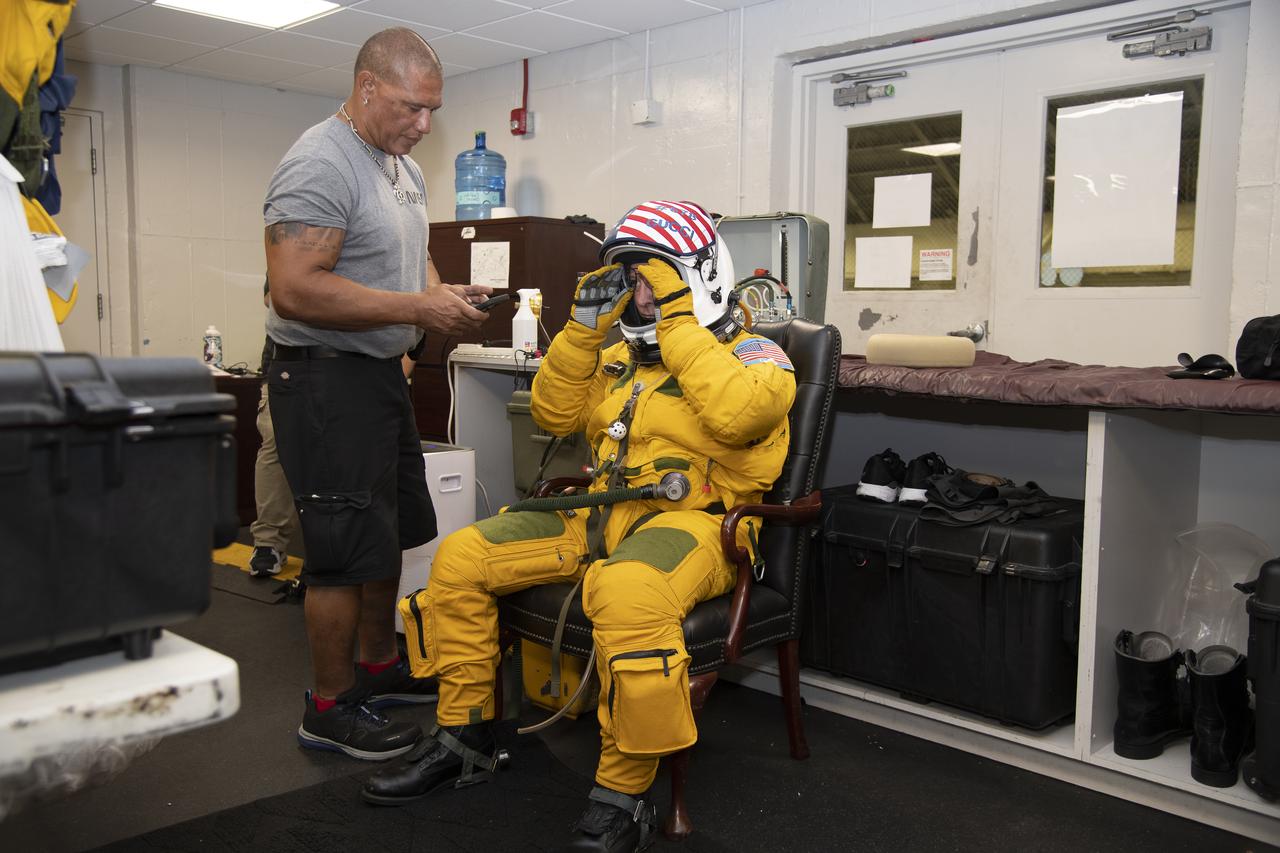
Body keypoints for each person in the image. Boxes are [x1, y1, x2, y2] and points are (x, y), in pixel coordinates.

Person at [364, 200, 798, 853]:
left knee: (628, 591)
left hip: (699, 526)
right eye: (634, 281)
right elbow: (553, 412)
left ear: (699, 276)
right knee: (461, 556)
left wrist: (677, 321)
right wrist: (581, 332)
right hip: (599, 513)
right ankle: (464, 738)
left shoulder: (759, 356)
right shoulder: (622, 355)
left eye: (657, 280)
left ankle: (624, 796)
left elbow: (737, 416)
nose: (641, 296)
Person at [262, 27, 491, 761]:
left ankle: (378, 665)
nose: (424, 124)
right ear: (366, 88)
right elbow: (294, 287)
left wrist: (440, 296)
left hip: (376, 373)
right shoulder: (319, 163)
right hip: (322, 376)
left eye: (433, 111)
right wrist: (418, 308)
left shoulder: (401, 166)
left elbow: (412, 259)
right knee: (339, 546)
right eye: (411, 107)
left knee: (385, 530)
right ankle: (329, 707)